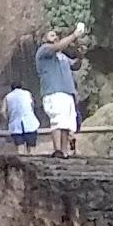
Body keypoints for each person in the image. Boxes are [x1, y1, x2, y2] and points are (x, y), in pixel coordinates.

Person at [35, 25, 84, 157]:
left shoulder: (61, 56)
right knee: (58, 120)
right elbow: (57, 46)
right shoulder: (44, 50)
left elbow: (75, 65)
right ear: (44, 39)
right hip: (53, 92)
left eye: (56, 35)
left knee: (66, 123)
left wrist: (80, 52)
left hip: (67, 92)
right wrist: (74, 35)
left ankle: (64, 151)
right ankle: (57, 150)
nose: (55, 37)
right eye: (51, 35)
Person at [4, 83, 40, 150]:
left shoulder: (8, 96)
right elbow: (32, 105)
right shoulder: (27, 93)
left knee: (20, 146)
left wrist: (8, 120)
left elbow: (3, 111)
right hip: (30, 123)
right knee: (31, 146)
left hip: (15, 124)